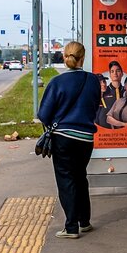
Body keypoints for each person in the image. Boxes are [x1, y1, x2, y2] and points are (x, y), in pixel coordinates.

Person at [37, 40, 102, 239]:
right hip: (86, 139)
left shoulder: (57, 82)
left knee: (66, 179)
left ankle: (71, 227)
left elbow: (43, 114)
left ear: (65, 58)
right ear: (83, 57)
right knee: (80, 176)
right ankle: (85, 221)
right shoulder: (93, 81)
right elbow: (95, 107)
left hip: (63, 138)